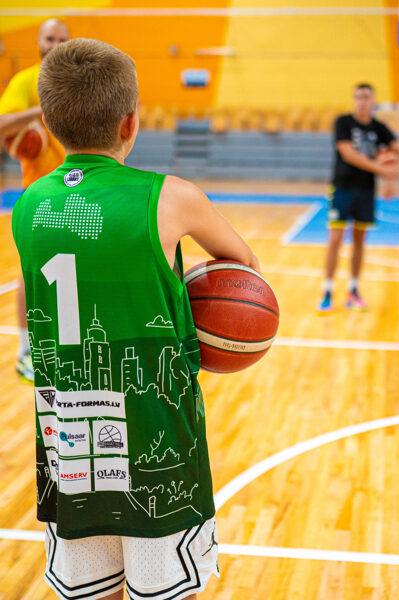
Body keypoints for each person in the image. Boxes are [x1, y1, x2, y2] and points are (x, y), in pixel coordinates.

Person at [12, 38, 259, 600]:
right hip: (156, 434)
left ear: (49, 125)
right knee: (165, 591)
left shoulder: (27, 206)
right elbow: (244, 266)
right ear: (132, 123)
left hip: (70, 437)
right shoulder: (171, 198)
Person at [0, 18, 69, 382]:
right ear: (38, 41)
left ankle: (67, 345)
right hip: (40, 192)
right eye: (49, 38)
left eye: (62, 39)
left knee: (75, 269)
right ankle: (26, 350)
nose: (55, 44)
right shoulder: (27, 81)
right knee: (32, 270)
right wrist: (37, 115)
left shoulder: (78, 83)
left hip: (80, 191)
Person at [318, 83, 399, 313]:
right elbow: (348, 155)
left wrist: (391, 178)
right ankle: (327, 290)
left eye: (366, 97)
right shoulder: (344, 122)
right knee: (335, 240)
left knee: (359, 242)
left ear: (373, 100)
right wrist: (381, 170)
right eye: (358, 97)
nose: (362, 101)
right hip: (342, 188)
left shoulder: (380, 128)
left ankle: (353, 290)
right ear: (354, 100)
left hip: (366, 191)